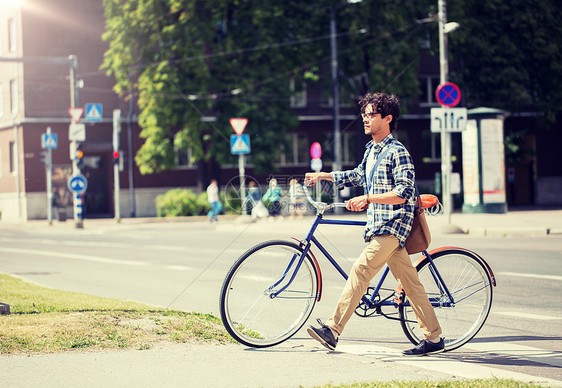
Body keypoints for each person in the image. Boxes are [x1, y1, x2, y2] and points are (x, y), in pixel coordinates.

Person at [304, 92, 443, 356]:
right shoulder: (372, 150)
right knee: (412, 286)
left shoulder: (398, 152)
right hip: (378, 227)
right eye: (364, 114)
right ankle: (434, 338)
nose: (365, 119)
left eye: (371, 115)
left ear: (387, 119)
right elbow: (357, 175)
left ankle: (333, 329)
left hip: (393, 226)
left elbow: (403, 193)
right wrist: (324, 175)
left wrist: (368, 198)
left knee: (361, 270)